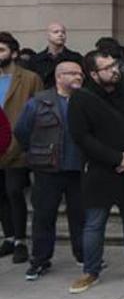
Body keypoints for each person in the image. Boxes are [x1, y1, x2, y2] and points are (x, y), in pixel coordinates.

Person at [67, 50, 124, 293]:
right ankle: (90, 271)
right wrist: (116, 158)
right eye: (107, 68)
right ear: (94, 74)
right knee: (94, 224)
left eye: (115, 65)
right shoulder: (81, 98)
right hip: (100, 170)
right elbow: (82, 137)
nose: (115, 70)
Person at [14, 62, 85, 280]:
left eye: (80, 73)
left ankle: (84, 256)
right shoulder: (39, 101)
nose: (78, 77)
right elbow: (22, 131)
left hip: (79, 168)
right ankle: (40, 260)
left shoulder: (87, 100)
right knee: (43, 217)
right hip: (47, 169)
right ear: (59, 77)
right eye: (73, 73)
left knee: (80, 217)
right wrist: (39, 152)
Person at [0, 31, 43, 262]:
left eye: (1, 50)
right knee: (1, 195)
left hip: (18, 146)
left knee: (14, 191)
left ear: (14, 53)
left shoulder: (29, 78)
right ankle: (8, 237)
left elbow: (39, 112)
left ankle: (20, 240)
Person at [26, 22, 83, 89]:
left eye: (63, 32)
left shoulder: (75, 58)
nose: (60, 34)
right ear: (48, 35)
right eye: (56, 32)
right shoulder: (35, 60)